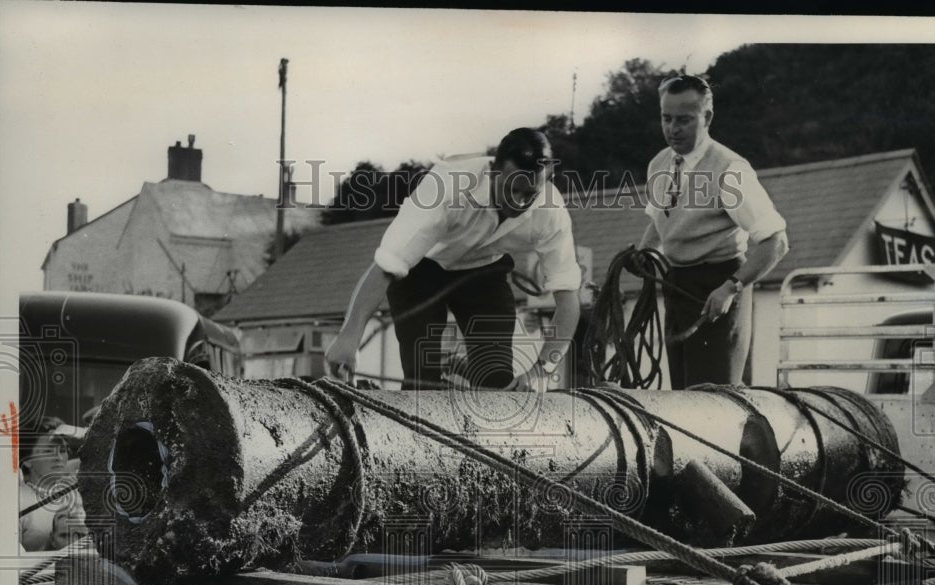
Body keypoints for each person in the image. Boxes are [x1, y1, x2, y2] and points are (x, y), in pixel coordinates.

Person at [324, 128, 582, 391]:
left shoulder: (551, 210)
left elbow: (568, 299)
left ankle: (464, 374)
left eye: (530, 195)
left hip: (484, 273)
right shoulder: (446, 187)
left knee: (498, 384)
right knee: (422, 383)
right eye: (511, 189)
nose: (518, 202)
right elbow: (386, 267)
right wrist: (349, 337)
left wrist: (541, 371)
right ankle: (442, 379)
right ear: (494, 170)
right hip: (421, 270)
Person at [640, 74, 789, 390]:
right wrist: (642, 254)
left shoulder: (730, 169)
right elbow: (658, 221)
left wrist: (731, 288)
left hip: (719, 288)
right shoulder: (658, 165)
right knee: (681, 399)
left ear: (707, 117)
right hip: (677, 288)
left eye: (684, 120)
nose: (673, 128)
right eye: (666, 119)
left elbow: (776, 242)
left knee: (715, 403)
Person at [19, 417, 87, 552]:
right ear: (27, 461)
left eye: (62, 450)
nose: (59, 458)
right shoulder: (17, 501)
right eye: (48, 451)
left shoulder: (79, 492)